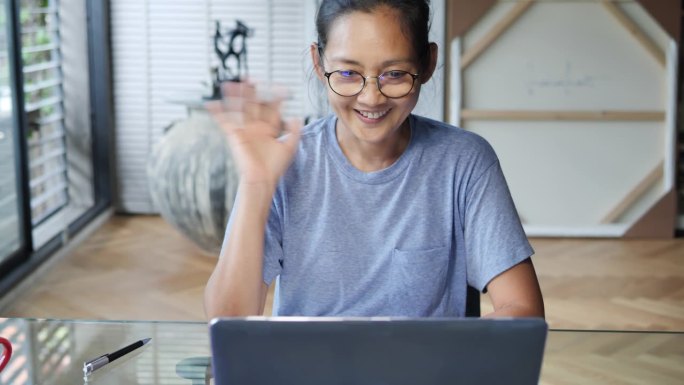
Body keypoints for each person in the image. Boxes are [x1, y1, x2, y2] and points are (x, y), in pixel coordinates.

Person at [204, 0, 544, 319]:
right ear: (319, 64)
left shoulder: (464, 161)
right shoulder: (283, 163)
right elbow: (227, 318)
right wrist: (256, 185)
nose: (371, 97)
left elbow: (522, 309)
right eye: (348, 73)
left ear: (427, 63)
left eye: (394, 74)